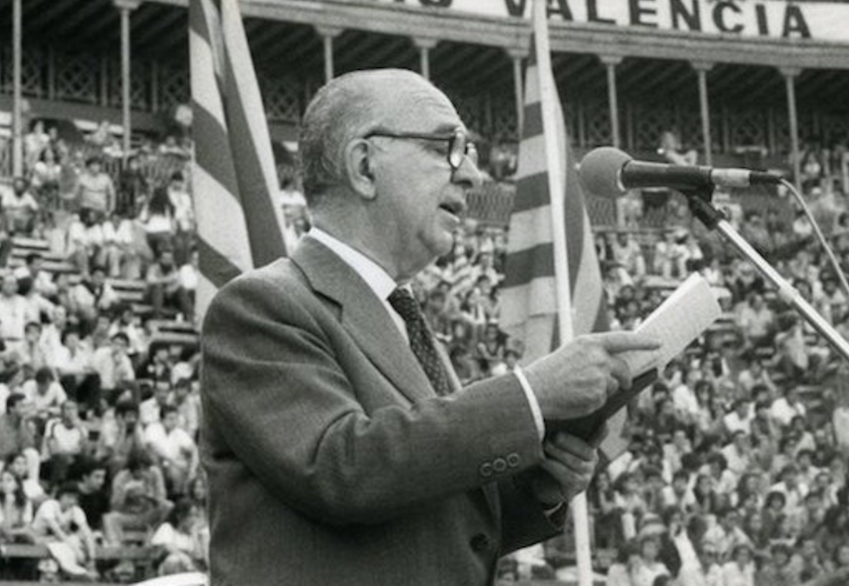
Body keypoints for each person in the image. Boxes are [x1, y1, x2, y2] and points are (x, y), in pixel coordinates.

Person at [200, 69, 660, 585]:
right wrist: (529, 395)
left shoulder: (404, 318)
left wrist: (538, 486)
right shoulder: (261, 305)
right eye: (447, 147)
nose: (472, 175)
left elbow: (433, 509)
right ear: (364, 166)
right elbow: (340, 469)